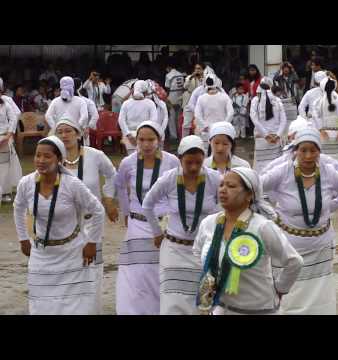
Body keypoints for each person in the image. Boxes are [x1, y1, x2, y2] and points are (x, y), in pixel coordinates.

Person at [261, 128, 338, 314]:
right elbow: (255, 186)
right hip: (288, 245)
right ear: (295, 150)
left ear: (319, 152)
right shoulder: (284, 171)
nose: (307, 155)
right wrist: (270, 212)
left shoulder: (328, 172)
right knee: (289, 293)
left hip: (320, 246)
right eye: (303, 150)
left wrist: (329, 209)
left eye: (313, 151)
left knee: (320, 295)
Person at [13, 135, 105, 314]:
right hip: (42, 255)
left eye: (47, 156)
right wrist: (23, 238)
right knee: (42, 305)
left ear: (59, 159)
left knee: (75, 306)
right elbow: (18, 209)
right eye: (38, 155)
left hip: (72, 253)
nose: (41, 160)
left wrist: (92, 243)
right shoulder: (27, 183)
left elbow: (98, 211)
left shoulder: (72, 185)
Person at [193, 167, 303, 315]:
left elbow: (294, 262)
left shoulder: (262, 227)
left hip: (259, 310)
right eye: (221, 185)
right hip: (221, 308)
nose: (223, 190)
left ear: (249, 194)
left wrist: (280, 289)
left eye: (231, 186)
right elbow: (198, 251)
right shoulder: (209, 223)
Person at [142, 135, 222, 315]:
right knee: (172, 300)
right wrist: (156, 232)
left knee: (202, 299)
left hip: (205, 250)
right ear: (179, 159)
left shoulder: (214, 178)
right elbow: (147, 204)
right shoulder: (169, 178)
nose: (194, 167)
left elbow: (227, 205)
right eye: (188, 163)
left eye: (198, 162)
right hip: (174, 250)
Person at [115, 121, 180, 315]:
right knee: (138, 272)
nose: (146, 144)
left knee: (160, 268)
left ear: (159, 140)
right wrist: (126, 212)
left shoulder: (172, 161)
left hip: (164, 222)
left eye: (151, 139)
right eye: (141, 140)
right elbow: (120, 186)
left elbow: (177, 190)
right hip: (137, 222)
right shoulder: (128, 162)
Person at [54, 118, 117, 313]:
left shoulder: (94, 155)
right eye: (60, 132)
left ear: (79, 134)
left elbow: (112, 174)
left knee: (92, 270)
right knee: (66, 271)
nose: (64, 136)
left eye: (68, 131)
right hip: (63, 226)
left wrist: (108, 198)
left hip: (91, 224)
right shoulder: (52, 159)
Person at [249, 77, 287, 173]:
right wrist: (278, 135)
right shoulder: (278, 100)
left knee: (260, 166)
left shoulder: (255, 101)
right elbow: (284, 120)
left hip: (261, 137)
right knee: (276, 165)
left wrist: (265, 135)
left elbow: (254, 119)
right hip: (276, 138)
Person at [312, 76, 338, 168]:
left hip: (324, 134)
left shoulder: (318, 102)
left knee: (325, 161)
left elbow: (315, 115)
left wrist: (321, 129)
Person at [194, 74, 234, 149]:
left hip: (207, 130)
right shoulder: (225, 97)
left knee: (206, 153)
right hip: (221, 130)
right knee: (222, 152)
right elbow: (231, 113)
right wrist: (224, 124)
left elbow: (197, 115)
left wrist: (206, 126)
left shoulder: (201, 98)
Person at [118, 80, 158, 155]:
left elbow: (121, 120)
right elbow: (153, 120)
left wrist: (128, 135)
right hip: (144, 135)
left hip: (133, 134)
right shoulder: (150, 103)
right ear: (145, 91)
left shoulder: (126, 103)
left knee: (133, 159)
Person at [0, 95, 22, 203]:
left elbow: (14, 117)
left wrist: (8, 134)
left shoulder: (5, 103)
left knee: (4, 166)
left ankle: (5, 192)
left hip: (4, 137)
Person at [74, 78, 99, 147]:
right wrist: (88, 127)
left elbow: (95, 116)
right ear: (81, 86)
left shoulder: (60, 101)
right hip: (80, 131)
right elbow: (95, 116)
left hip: (77, 133)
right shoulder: (87, 101)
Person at [182, 63, 205, 138]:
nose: (197, 70)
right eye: (196, 69)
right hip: (189, 100)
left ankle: (199, 140)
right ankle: (184, 140)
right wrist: (191, 77)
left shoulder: (205, 78)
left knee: (199, 122)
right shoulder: (189, 77)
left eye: (199, 69)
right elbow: (185, 86)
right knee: (186, 123)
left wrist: (202, 79)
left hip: (200, 102)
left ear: (202, 70)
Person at [273, 62, 299, 126]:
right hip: (282, 99)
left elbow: (296, 78)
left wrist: (293, 68)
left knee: (293, 117)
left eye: (287, 68)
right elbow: (274, 78)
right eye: (284, 68)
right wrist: (279, 69)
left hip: (291, 99)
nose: (286, 70)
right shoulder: (280, 77)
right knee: (283, 117)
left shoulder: (292, 76)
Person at [164, 61, 185, 140]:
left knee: (171, 117)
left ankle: (173, 135)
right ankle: (180, 134)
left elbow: (167, 88)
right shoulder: (181, 74)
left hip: (172, 97)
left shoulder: (168, 75)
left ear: (169, 67)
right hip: (180, 96)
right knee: (179, 117)